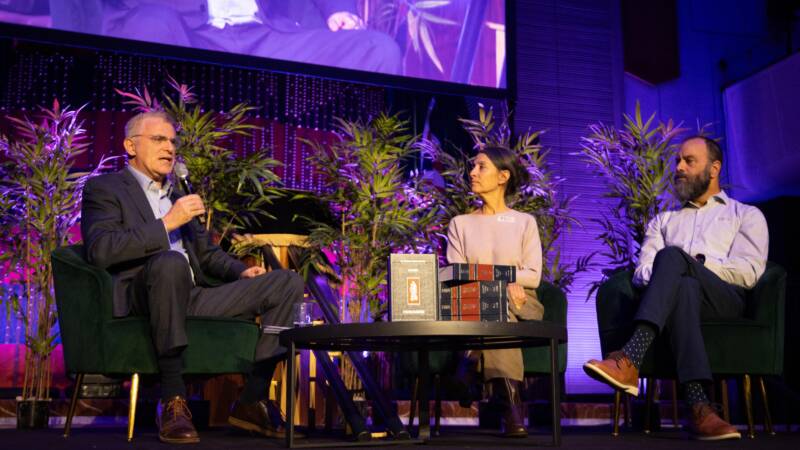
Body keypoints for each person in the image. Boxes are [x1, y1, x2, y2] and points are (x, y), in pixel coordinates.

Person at [81, 111, 304, 444]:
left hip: (193, 295)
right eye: (158, 139)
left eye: (172, 141)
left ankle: (251, 400)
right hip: (145, 297)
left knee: (287, 282)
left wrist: (241, 270)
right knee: (169, 262)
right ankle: (172, 399)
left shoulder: (177, 194)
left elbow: (208, 255)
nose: (169, 148)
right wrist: (168, 222)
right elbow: (101, 249)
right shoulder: (106, 188)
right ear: (130, 145)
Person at [583, 136, 769, 440]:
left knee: (673, 258)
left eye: (688, 161)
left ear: (714, 168)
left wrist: (694, 263)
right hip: (679, 299)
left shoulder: (745, 215)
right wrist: (678, 270)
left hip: (723, 300)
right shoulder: (663, 221)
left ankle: (630, 356)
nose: (679, 167)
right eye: (677, 161)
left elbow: (749, 273)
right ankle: (699, 406)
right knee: (682, 286)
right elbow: (643, 272)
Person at [445, 146, 544, 438]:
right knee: (495, 301)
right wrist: (501, 280)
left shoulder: (524, 222)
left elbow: (534, 277)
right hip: (474, 303)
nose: (472, 173)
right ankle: (513, 407)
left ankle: (470, 359)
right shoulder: (460, 224)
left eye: (481, 167)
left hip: (521, 301)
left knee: (500, 301)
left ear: (503, 176)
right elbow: (456, 274)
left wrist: (498, 281)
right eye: (473, 167)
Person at [49, 0, 402, 75]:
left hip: (266, 34)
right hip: (186, 30)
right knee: (150, 26)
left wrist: (334, 11)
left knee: (378, 49)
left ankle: (371, 199)